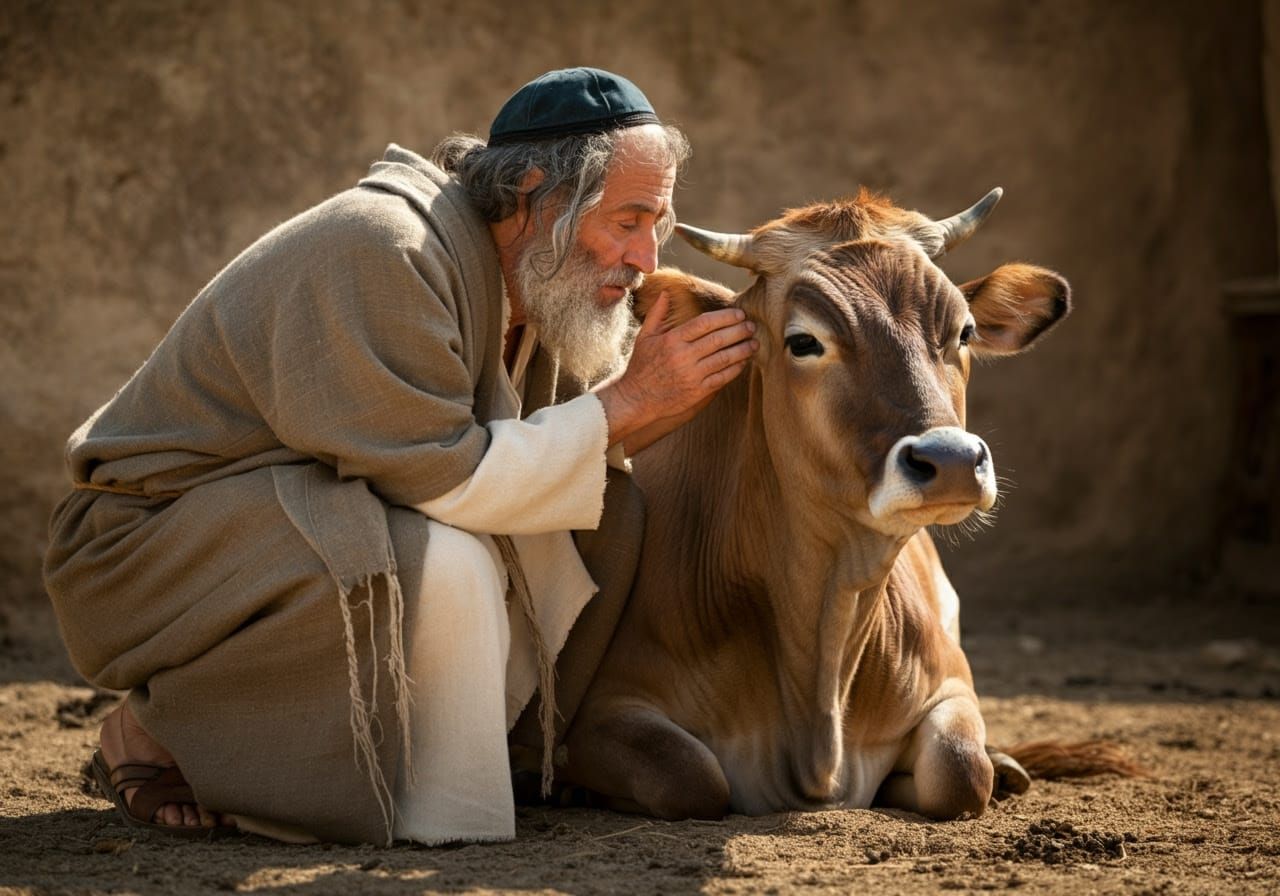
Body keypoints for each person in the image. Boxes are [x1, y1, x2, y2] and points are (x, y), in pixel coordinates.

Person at [43, 67, 758, 845]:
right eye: (628, 220)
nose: (646, 257)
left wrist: (658, 404)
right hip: (146, 549)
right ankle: (163, 733)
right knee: (440, 554)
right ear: (531, 193)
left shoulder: (538, 282)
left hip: (270, 521)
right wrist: (631, 402)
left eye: (658, 223)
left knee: (607, 515)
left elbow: (558, 460)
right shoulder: (386, 249)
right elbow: (445, 477)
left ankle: (482, 771)